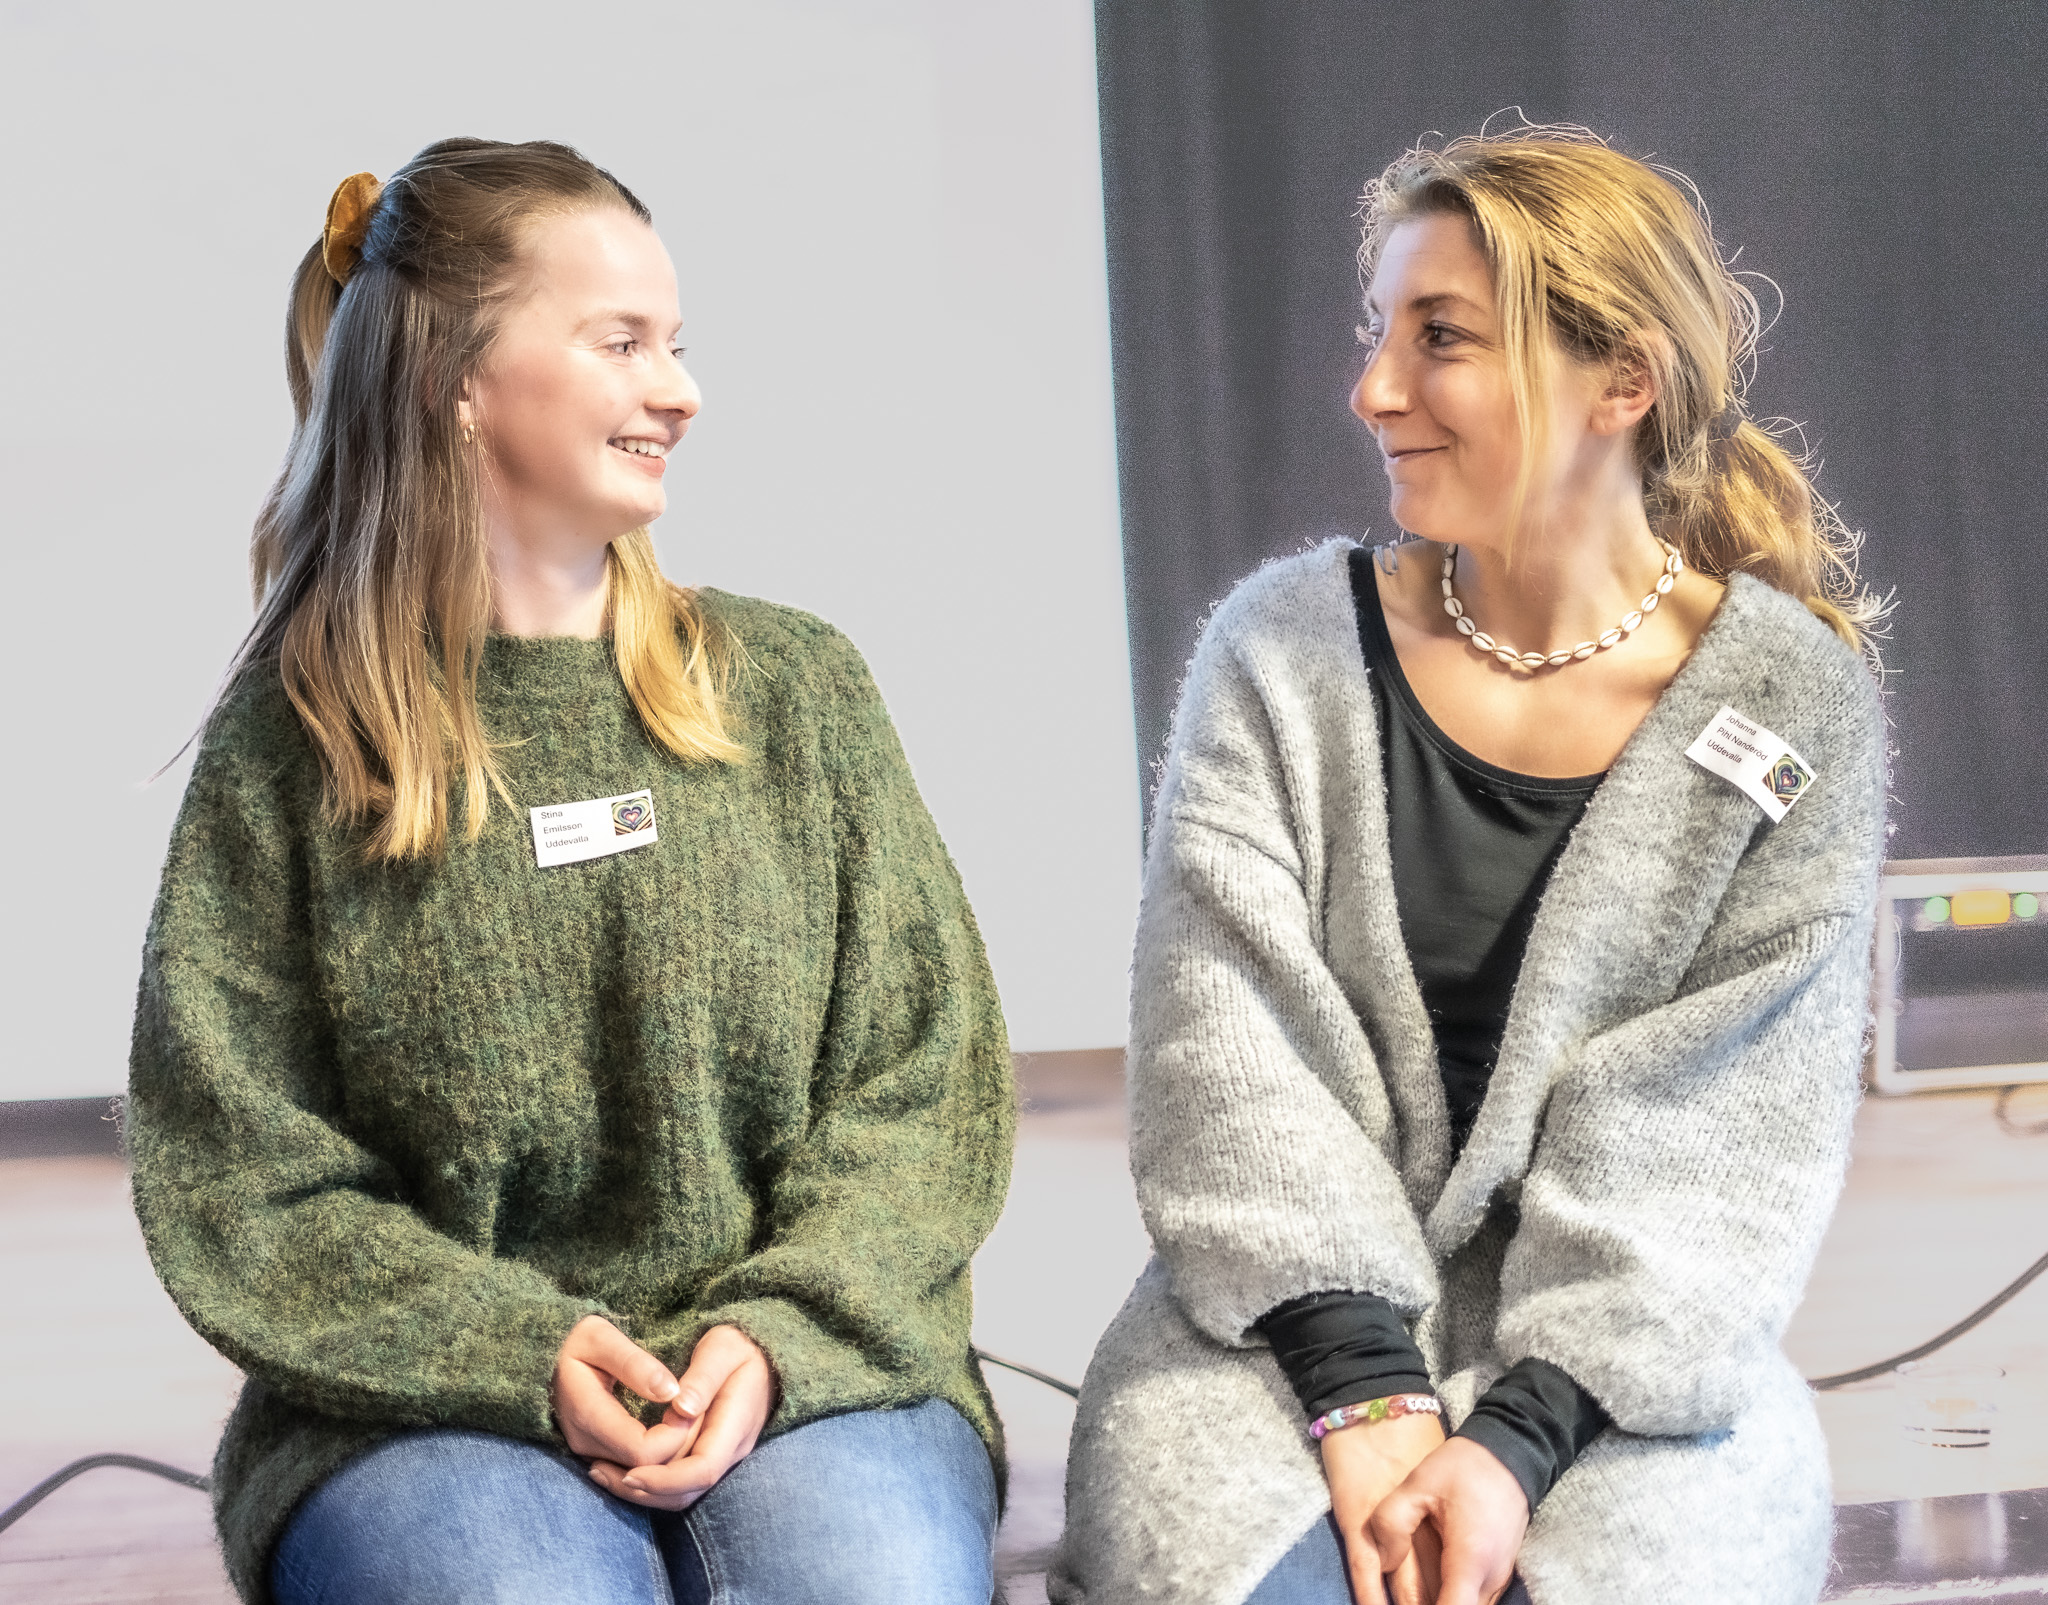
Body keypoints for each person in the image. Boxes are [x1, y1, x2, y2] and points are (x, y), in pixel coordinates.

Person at [125, 138, 1014, 1605]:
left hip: (811, 1364)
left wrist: (783, 1329)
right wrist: (511, 1349)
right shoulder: (292, 746)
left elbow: (924, 1089)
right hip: (419, 1404)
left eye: (678, 343)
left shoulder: (798, 689)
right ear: (453, 380)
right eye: (622, 343)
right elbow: (243, 1174)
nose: (681, 390)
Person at [1052, 125, 1886, 1605]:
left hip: (1621, 1380)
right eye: (1379, 331)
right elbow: (1226, 1051)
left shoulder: (1792, 704)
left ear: (1622, 382)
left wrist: (1511, 1440)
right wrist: (1367, 1391)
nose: (1374, 388)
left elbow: (1726, 1139)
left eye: (1438, 337)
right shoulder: (1278, 651)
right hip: (1273, 1343)